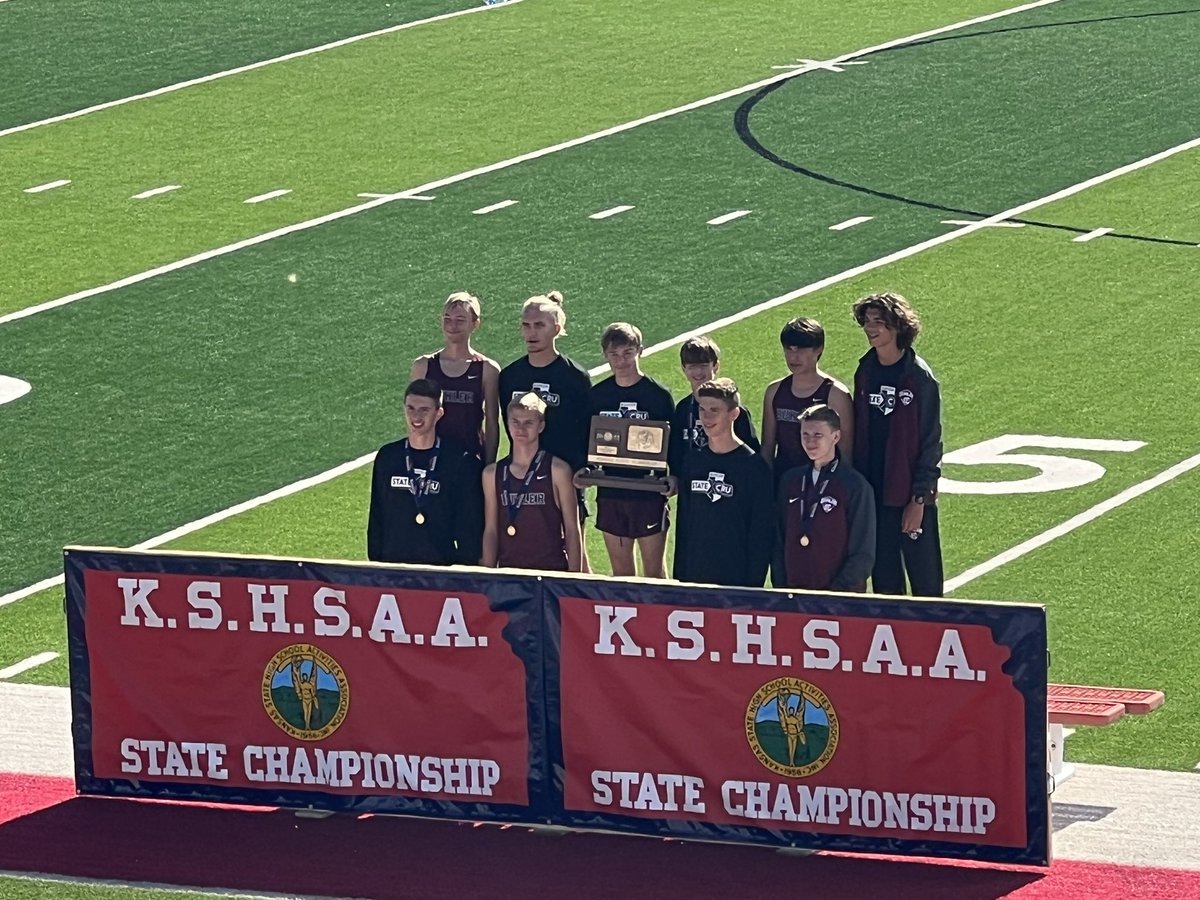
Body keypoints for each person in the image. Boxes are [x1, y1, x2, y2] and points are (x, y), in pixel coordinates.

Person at [852, 292, 944, 597]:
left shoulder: (919, 377)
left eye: (879, 321)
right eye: (867, 321)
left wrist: (919, 500)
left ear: (898, 325)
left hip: (908, 495)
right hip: (874, 495)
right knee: (885, 584)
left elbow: (931, 443)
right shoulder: (865, 370)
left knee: (926, 585)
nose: (870, 328)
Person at [498, 291, 594, 570]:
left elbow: (587, 429)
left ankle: (581, 596)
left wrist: (582, 469)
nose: (532, 332)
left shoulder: (574, 377)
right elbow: (507, 425)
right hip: (520, 479)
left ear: (557, 328)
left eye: (539, 325)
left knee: (574, 554)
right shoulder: (510, 376)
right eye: (526, 325)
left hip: (564, 478)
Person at [585, 323, 675, 578]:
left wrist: (674, 475)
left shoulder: (658, 395)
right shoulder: (598, 395)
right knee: (622, 574)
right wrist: (585, 468)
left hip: (648, 492)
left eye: (627, 353)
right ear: (605, 355)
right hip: (611, 491)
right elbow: (586, 439)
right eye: (614, 354)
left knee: (655, 574)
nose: (621, 361)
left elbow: (673, 444)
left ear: (640, 351)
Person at [367, 379, 484, 565]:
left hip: (440, 570)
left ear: (439, 413)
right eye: (411, 408)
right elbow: (376, 517)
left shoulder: (461, 462)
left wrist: (460, 571)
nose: (416, 416)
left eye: (424, 410)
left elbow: (469, 527)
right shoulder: (388, 457)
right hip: (393, 568)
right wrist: (377, 565)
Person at [673, 378, 773, 588]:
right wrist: (680, 577)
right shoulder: (692, 462)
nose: (706, 417)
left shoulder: (753, 467)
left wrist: (753, 586)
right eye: (702, 409)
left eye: (714, 410)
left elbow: (761, 533)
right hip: (694, 578)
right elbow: (684, 524)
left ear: (734, 414)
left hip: (736, 581)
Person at [773, 405, 875, 592]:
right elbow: (778, 539)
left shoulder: (855, 486)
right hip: (793, 595)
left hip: (840, 599)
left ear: (835, 437)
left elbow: (863, 552)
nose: (810, 441)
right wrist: (782, 587)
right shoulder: (790, 481)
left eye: (818, 435)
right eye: (805, 435)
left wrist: (835, 593)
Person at [482, 392, 582, 572]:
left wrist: (574, 579)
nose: (521, 429)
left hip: (551, 573)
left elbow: (572, 530)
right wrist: (488, 576)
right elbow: (491, 530)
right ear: (507, 424)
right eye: (515, 422)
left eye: (528, 423)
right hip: (510, 573)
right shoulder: (492, 474)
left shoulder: (558, 470)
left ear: (541, 426)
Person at [411, 291, 501, 463]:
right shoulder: (423, 366)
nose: (452, 325)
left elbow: (491, 423)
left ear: (475, 324)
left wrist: (489, 466)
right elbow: (414, 416)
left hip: (470, 460)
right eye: (447, 319)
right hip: (433, 461)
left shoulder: (487, 369)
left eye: (460, 320)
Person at [761, 317, 854, 479]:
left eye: (801, 350)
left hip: (823, 484)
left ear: (818, 349)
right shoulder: (774, 391)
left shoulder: (836, 395)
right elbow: (767, 448)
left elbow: (846, 454)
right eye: (789, 349)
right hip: (784, 483)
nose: (794, 357)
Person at [667, 336, 761, 477]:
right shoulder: (683, 409)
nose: (698, 372)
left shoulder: (734, 409)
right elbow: (676, 452)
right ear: (683, 369)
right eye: (692, 367)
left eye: (704, 365)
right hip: (693, 482)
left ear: (716, 366)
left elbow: (750, 451)